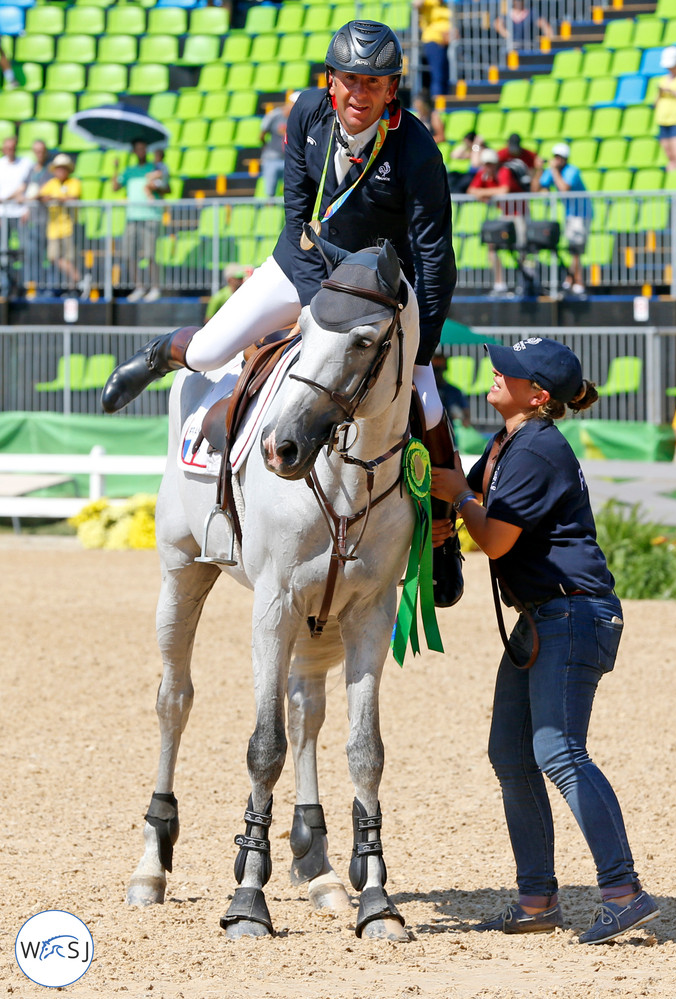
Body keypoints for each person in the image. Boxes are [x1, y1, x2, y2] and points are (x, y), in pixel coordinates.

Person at [102, 20, 462, 607]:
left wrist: (419, 346)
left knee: (427, 399)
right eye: (349, 79)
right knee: (209, 353)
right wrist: (319, 304)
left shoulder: (417, 150)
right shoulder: (307, 114)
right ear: (331, 80)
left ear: (392, 89)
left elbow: (434, 258)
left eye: (374, 82)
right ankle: (162, 352)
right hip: (305, 269)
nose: (359, 93)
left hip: (381, 295)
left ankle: (443, 543)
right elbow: (296, 215)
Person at [430, 336, 659, 944]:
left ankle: (624, 891)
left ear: (537, 395)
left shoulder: (536, 448)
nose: (496, 371)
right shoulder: (509, 440)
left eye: (511, 370)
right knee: (511, 754)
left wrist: (461, 496)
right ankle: (537, 902)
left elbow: (496, 538)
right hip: (543, 616)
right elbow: (460, 501)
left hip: (572, 615)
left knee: (559, 752)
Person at [112, 139, 167, 303]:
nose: (141, 151)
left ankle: (155, 287)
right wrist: (115, 168)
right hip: (132, 217)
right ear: (134, 152)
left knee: (150, 255)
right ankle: (139, 286)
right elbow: (115, 187)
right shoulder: (128, 171)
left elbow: (166, 188)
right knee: (129, 254)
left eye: (143, 148)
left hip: (150, 216)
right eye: (138, 149)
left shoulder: (154, 168)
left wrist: (156, 186)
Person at [532, 142, 591, 296]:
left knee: (576, 249)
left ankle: (576, 282)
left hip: (581, 213)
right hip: (570, 214)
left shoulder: (572, 171)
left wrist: (553, 170)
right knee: (573, 248)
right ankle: (571, 280)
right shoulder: (554, 171)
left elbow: (564, 189)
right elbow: (536, 189)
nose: (556, 160)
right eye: (555, 157)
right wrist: (539, 170)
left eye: (559, 157)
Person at [469, 147, 529, 297]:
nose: (488, 167)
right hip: (505, 215)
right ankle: (499, 284)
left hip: (518, 214)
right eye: (486, 164)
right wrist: (486, 193)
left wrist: (483, 193)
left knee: (521, 247)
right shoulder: (483, 174)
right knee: (493, 245)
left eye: (491, 164)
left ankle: (524, 283)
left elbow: (504, 190)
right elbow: (471, 190)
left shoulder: (504, 172)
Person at [38, 153, 91, 299]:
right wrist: (42, 198)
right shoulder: (52, 183)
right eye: (58, 168)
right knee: (54, 257)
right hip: (54, 229)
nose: (60, 171)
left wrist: (56, 198)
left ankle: (73, 289)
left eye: (63, 168)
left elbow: (73, 197)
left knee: (70, 258)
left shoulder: (74, 182)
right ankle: (79, 278)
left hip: (69, 227)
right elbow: (39, 194)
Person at [0, 135, 32, 298]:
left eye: (13, 147)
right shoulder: (0, 164)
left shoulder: (25, 163)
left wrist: (25, 207)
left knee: (25, 250)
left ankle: (25, 285)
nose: (10, 150)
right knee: (2, 252)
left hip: (19, 213)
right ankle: (4, 286)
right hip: (2, 214)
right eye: (8, 147)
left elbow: (25, 187)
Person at [20, 139, 53, 294]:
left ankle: (50, 288)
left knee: (51, 257)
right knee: (34, 255)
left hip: (49, 220)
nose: (39, 154)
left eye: (41, 150)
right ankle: (36, 287)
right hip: (34, 220)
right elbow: (25, 189)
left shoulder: (50, 170)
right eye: (36, 151)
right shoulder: (32, 170)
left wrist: (31, 198)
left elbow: (47, 194)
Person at [259, 91, 300, 198]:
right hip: (272, 158)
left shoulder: (298, 118)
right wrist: (267, 147)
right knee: (270, 190)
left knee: (292, 190)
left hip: (290, 159)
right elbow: (262, 134)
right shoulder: (274, 115)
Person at [412, 0, 451, 98]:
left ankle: (445, 103)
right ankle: (437, 104)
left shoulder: (446, 4)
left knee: (447, 76)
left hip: (448, 41)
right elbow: (416, 4)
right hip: (433, 40)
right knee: (438, 75)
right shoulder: (429, 2)